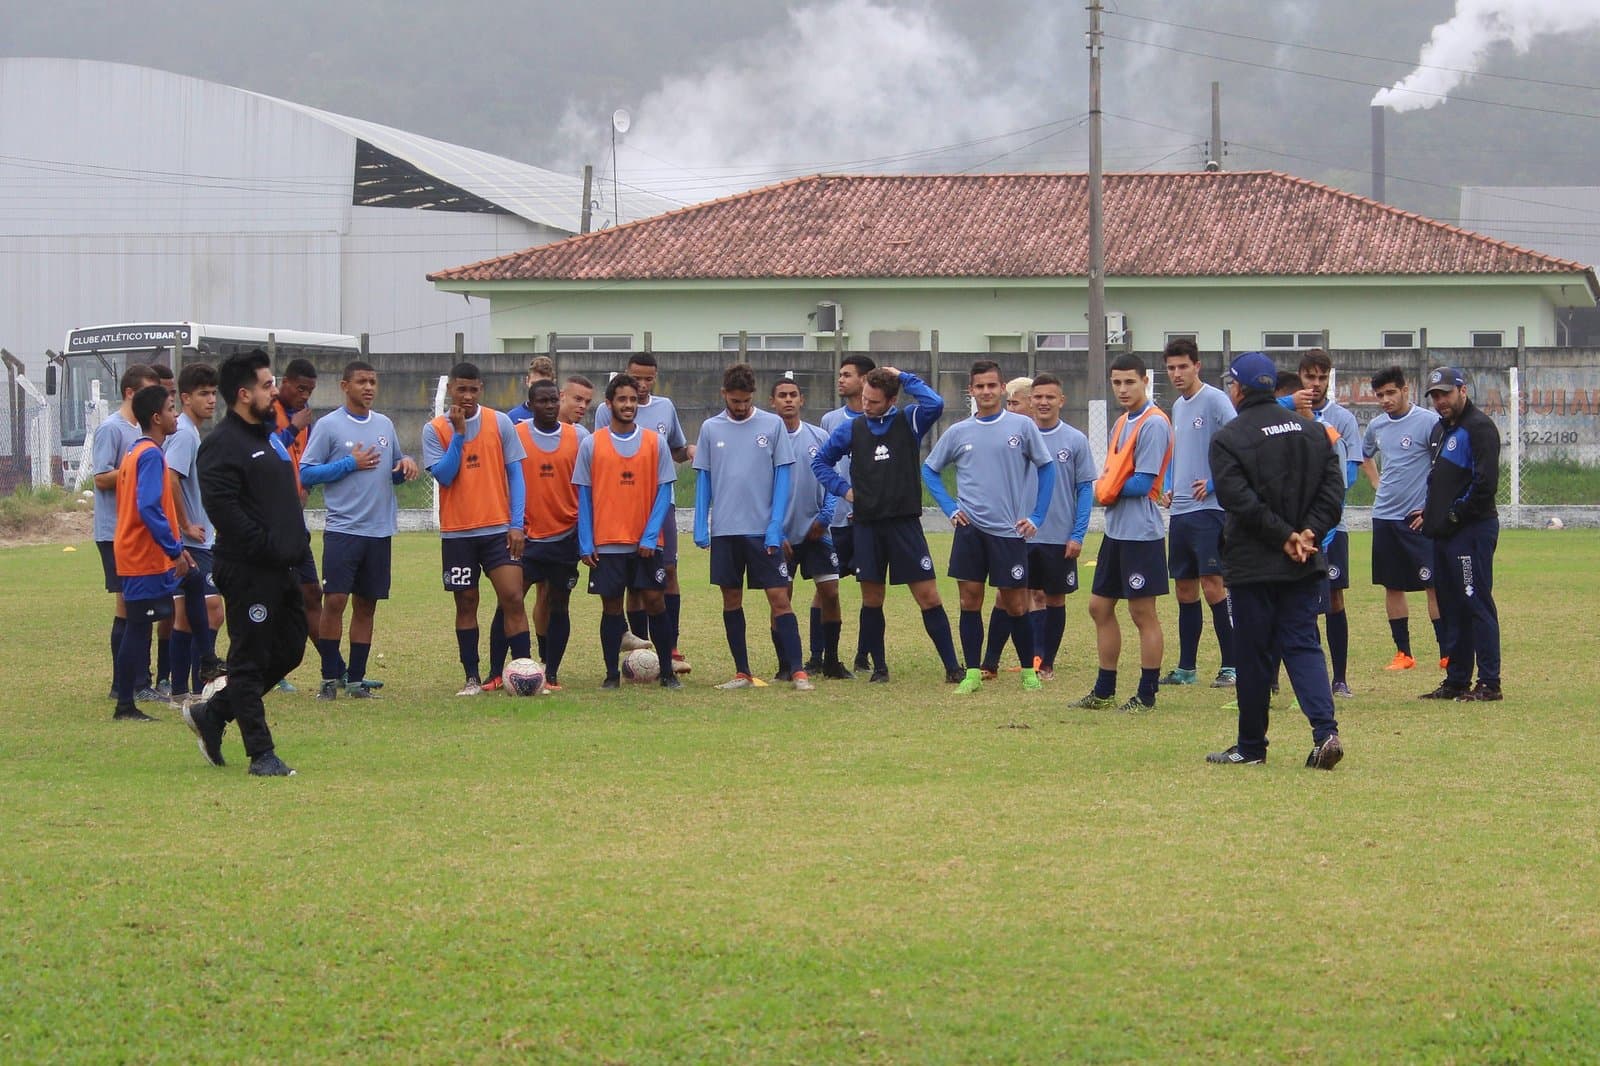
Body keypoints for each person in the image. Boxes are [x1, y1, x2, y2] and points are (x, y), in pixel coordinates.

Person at [1205, 351, 1347, 769]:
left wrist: (1283, 535)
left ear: (1238, 389)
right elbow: (1333, 495)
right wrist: (1308, 534)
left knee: (1252, 654)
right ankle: (1325, 732)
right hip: (1305, 560)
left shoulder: (1229, 437)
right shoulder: (1315, 432)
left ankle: (1251, 747)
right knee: (1303, 644)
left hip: (1253, 563)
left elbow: (1237, 500)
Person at [181, 350, 310, 777]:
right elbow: (226, 513)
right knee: (248, 661)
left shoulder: (265, 438)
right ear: (243, 393)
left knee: (290, 650)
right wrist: (269, 548)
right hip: (250, 570)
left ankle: (214, 713)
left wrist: (295, 546)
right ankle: (262, 755)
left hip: (285, 568)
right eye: (267, 384)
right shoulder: (220, 446)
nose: (275, 391)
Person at [812, 366, 962, 684]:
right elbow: (820, 462)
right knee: (872, 598)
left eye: (874, 402)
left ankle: (952, 667)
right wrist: (844, 490)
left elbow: (935, 403)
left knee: (929, 596)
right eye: (864, 399)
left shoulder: (909, 420)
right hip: (866, 526)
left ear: (892, 399)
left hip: (905, 525)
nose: (866, 405)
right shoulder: (850, 429)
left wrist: (904, 376)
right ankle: (879, 668)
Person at [922, 360, 1054, 693]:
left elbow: (1046, 468)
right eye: (979, 386)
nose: (986, 392)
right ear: (971, 391)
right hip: (970, 532)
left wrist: (1036, 516)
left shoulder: (1022, 428)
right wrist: (951, 508)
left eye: (991, 386)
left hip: (1008, 532)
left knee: (1015, 604)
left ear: (1001, 388)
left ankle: (1028, 671)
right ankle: (972, 672)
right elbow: (930, 470)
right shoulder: (959, 432)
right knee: (970, 601)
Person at [299, 360, 419, 701]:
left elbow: (392, 470)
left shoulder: (384, 424)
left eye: (373, 382)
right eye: (362, 381)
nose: (368, 387)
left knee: (366, 606)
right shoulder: (329, 426)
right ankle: (328, 678)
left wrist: (405, 466)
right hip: (344, 529)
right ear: (344, 386)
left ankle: (356, 679)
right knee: (335, 601)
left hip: (378, 531)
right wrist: (349, 464)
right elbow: (307, 473)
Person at [693, 364, 806, 689]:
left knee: (779, 597)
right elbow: (705, 478)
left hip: (762, 532)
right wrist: (702, 524)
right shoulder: (711, 428)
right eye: (734, 401)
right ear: (724, 395)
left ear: (752, 396)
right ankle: (742, 672)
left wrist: (775, 526)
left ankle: (797, 671)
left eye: (745, 401)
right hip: (726, 531)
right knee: (731, 600)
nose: (740, 407)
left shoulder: (771, 426)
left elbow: (783, 477)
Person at [423, 361, 531, 696]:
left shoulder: (500, 423)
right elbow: (444, 474)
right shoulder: (435, 429)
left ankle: (524, 673)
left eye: (473, 389)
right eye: (461, 389)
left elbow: (516, 474)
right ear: (451, 389)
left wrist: (516, 524)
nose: (467, 396)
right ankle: (471, 678)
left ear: (480, 389)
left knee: (513, 597)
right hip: (457, 533)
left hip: (497, 530)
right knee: (466, 603)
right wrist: (458, 435)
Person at [1075, 354, 1173, 713]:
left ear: (1145, 380)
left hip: (1140, 534)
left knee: (1142, 613)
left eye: (1129, 381)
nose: (1123, 389)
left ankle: (1147, 694)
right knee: (1099, 607)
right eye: (1117, 382)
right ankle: (1104, 690)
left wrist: (1104, 490)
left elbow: (1144, 481)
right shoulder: (1121, 423)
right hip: (1116, 532)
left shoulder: (1154, 423)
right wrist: (1106, 487)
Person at [574, 374, 681, 689]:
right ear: (609, 404)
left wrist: (650, 535)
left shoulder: (655, 442)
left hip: (646, 543)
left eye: (633, 400)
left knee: (655, 601)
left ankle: (667, 672)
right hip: (607, 543)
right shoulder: (592, 444)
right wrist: (585, 541)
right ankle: (610, 675)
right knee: (611, 606)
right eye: (622, 399)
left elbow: (664, 492)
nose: (629, 405)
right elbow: (583, 495)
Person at [593, 353, 694, 674]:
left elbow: (675, 449)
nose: (643, 384)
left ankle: (672, 649)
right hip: (618, 508)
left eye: (649, 378)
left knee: (666, 573)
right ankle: (640, 647)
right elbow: (603, 454)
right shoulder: (604, 412)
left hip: (660, 505)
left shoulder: (665, 408)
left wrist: (690, 451)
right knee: (631, 584)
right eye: (637, 377)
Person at [485, 378, 587, 691]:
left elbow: (587, 489)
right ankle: (495, 673)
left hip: (564, 538)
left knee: (559, 604)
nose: (549, 407)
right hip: (524, 539)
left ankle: (552, 673)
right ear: (531, 404)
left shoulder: (578, 437)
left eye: (553, 401)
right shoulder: (515, 436)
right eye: (542, 401)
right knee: (509, 602)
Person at [1416, 366, 1502, 702]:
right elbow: (1441, 480)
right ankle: (1456, 681)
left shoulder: (1479, 428)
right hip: (1445, 534)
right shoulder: (1441, 430)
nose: (1440, 401)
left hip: (1471, 531)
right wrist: (1431, 512)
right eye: (1435, 396)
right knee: (1451, 607)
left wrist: (1453, 515)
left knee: (1475, 602)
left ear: (1463, 391)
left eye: (1445, 394)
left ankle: (1490, 682)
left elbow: (1484, 485)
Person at [111, 385, 192, 722]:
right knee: (139, 626)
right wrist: (173, 549)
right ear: (157, 418)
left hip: (137, 550)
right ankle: (125, 702)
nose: (176, 415)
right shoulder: (150, 455)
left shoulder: (135, 451)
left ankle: (135, 694)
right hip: (142, 554)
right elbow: (148, 506)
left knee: (191, 591)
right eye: (172, 409)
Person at [1159, 338, 1237, 688]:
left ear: (1196, 366)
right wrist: (1174, 484)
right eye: (1171, 368)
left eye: (1182, 366)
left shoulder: (1216, 400)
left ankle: (1232, 665)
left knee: (1213, 587)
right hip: (1182, 512)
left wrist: (1216, 483)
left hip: (1210, 511)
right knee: (1184, 589)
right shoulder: (1178, 406)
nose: (1177, 373)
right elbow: (1183, 451)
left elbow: (1237, 443)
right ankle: (1186, 668)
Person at [1362, 366, 1448, 671]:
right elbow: (1364, 455)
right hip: (1385, 517)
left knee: (1433, 585)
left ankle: (1446, 651)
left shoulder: (1428, 422)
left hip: (1417, 519)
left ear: (1405, 390)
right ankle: (1404, 653)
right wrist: (1377, 483)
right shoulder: (1376, 426)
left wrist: (1430, 507)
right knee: (1392, 585)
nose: (1385, 400)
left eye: (1390, 393)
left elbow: (1442, 467)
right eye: (1380, 395)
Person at [770, 376, 851, 680]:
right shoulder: (767, 438)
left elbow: (832, 478)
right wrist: (774, 531)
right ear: (772, 402)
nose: (788, 400)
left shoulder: (819, 436)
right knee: (781, 596)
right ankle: (786, 665)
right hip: (782, 535)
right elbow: (760, 487)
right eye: (782, 395)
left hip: (817, 531)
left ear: (802, 400)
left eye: (793, 395)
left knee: (830, 591)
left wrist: (826, 515)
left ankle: (830, 660)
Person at [91, 363, 160, 702]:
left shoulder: (141, 429)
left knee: (138, 606)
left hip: (137, 531)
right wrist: (134, 470)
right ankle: (126, 684)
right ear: (131, 393)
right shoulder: (112, 429)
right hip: (114, 531)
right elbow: (100, 476)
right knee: (128, 606)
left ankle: (136, 682)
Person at [1298, 348, 1363, 698]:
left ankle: (1339, 678)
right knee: (1298, 600)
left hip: (1332, 528)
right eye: (1310, 377)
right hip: (1295, 527)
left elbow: (1348, 474)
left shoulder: (1343, 420)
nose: (1317, 384)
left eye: (1323, 377)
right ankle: (1305, 677)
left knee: (1335, 599)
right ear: (1301, 377)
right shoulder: (1287, 413)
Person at [1022, 373, 1095, 681]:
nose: (1043, 402)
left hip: (1059, 535)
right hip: (1023, 534)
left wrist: (1077, 534)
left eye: (1050, 397)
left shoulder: (1075, 440)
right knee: (1028, 595)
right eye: (1038, 397)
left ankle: (1047, 661)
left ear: (1061, 401)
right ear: (1030, 401)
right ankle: (1034, 656)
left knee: (1054, 597)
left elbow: (1085, 490)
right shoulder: (1020, 437)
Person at [163, 362, 223, 706]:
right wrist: (185, 525)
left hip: (196, 539)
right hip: (191, 542)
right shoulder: (184, 433)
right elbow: (170, 477)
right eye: (203, 394)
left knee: (186, 616)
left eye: (214, 393)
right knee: (213, 610)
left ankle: (181, 691)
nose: (211, 400)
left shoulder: (189, 430)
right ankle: (204, 680)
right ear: (185, 398)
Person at [817, 353, 875, 673]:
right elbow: (824, 466)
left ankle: (864, 655)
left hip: (867, 520)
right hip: (835, 520)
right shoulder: (830, 420)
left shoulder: (882, 420)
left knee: (870, 587)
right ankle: (819, 655)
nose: (841, 380)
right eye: (839, 374)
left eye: (847, 375)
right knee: (825, 588)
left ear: (865, 380)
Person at [272, 357, 322, 691]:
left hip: (295, 522)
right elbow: (268, 451)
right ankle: (274, 672)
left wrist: (305, 488)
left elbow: (305, 463)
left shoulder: (306, 421)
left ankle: (334, 666)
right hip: (272, 525)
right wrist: (291, 429)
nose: (304, 395)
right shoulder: (268, 414)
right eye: (300, 388)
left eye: (310, 390)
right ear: (284, 383)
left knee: (311, 592)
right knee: (275, 598)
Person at [507, 356, 557, 423]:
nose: (538, 390)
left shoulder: (561, 416)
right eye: (534, 384)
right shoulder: (512, 417)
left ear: (553, 384)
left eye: (543, 385)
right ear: (527, 381)